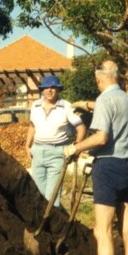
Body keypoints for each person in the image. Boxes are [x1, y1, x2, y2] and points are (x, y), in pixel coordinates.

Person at [62, 60, 128, 255]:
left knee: (102, 230)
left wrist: (74, 148)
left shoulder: (105, 100)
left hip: (109, 168)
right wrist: (85, 105)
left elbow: (101, 137)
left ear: (99, 80)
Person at [24, 75, 85, 208]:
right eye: (46, 87)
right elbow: (32, 126)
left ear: (58, 89)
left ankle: (52, 226)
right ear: (42, 90)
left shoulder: (66, 106)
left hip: (57, 152)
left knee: (52, 196)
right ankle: (45, 223)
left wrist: (76, 148)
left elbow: (81, 128)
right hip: (38, 151)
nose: (49, 90)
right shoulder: (35, 105)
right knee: (38, 194)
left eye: (53, 87)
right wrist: (27, 145)